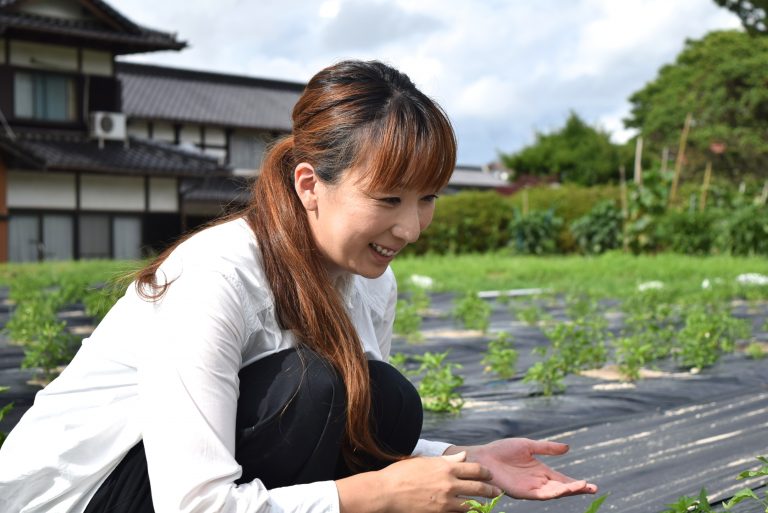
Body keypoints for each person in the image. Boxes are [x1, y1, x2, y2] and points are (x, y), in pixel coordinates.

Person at [0, 59, 597, 513]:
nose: (411, 227)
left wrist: (470, 464)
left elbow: (350, 432)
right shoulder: (216, 275)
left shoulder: (368, 282)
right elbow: (194, 503)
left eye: (428, 199)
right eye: (388, 199)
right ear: (310, 184)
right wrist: (374, 496)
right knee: (307, 386)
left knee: (383, 400)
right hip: (82, 500)